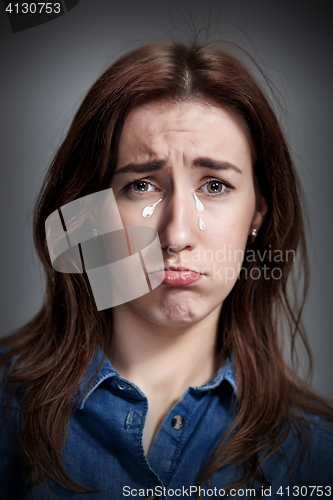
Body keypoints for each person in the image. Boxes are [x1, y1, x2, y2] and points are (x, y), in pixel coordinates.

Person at [0, 40, 332, 499]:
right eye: (141, 185)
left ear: (259, 214)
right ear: (90, 214)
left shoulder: (319, 454)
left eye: (215, 185)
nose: (176, 235)